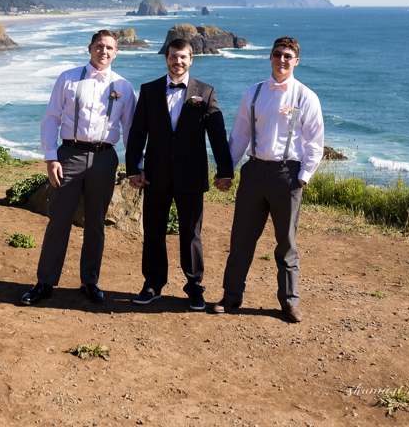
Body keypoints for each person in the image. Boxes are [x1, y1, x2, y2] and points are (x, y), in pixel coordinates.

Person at [23, 29, 136, 306]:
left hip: (105, 158)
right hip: (69, 156)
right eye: (99, 46)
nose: (104, 51)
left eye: (110, 47)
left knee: (95, 224)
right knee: (58, 220)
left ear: (116, 52)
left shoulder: (124, 86)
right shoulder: (68, 78)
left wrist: (136, 166)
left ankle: (90, 281)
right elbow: (50, 118)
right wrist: (51, 157)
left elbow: (131, 130)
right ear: (90, 48)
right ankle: (45, 282)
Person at [216, 36, 324, 321]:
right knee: (241, 238)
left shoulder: (306, 97)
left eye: (288, 56)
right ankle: (231, 296)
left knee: (286, 242)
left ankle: (289, 301)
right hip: (254, 171)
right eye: (278, 54)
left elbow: (315, 142)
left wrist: (303, 177)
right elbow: (239, 135)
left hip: (287, 174)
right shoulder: (253, 93)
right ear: (270, 57)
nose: (282, 60)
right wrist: (227, 171)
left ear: (296, 61)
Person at [124, 38, 235, 311]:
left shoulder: (205, 92)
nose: (178, 61)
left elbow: (218, 135)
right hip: (155, 174)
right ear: (166, 58)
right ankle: (152, 284)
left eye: (183, 57)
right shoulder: (148, 91)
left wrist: (225, 171)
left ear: (191, 60)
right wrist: (132, 169)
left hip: (191, 175)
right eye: (174, 56)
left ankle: (194, 287)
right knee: (153, 231)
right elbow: (137, 133)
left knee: (191, 233)